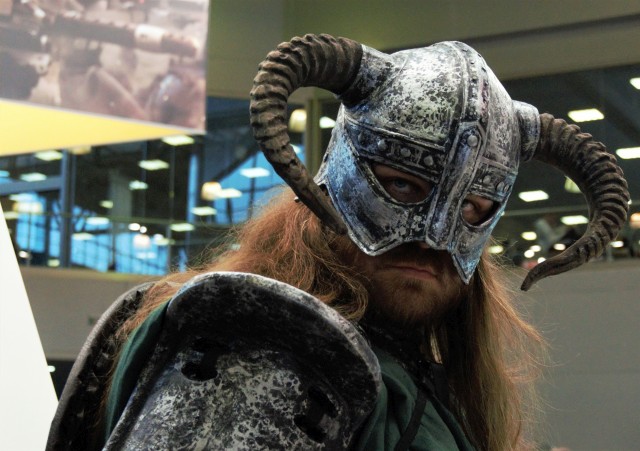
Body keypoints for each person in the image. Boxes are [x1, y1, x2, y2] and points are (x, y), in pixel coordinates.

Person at [47, 34, 629, 451]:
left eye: (472, 208)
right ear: (337, 176)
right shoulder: (261, 341)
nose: (433, 237)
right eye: (402, 184)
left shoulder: (409, 366)